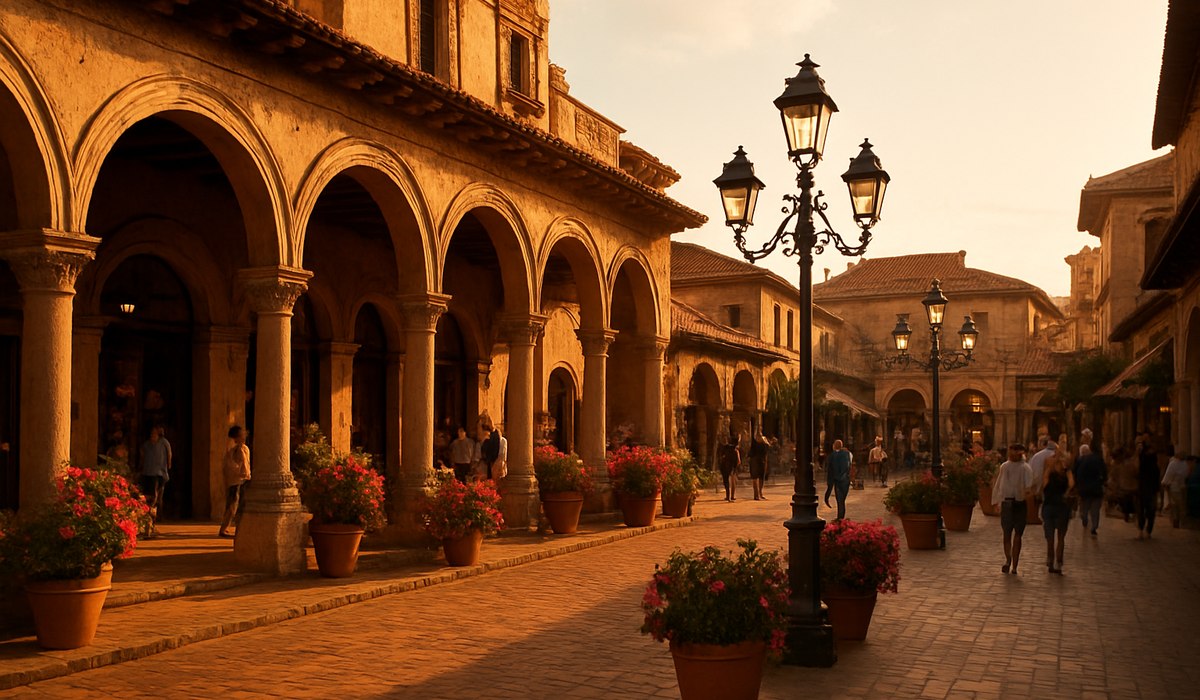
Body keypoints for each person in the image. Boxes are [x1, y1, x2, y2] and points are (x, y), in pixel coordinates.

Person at [991, 443, 1032, 574]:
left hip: (1014, 503)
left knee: (1014, 535)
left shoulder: (1023, 467)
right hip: (1012, 503)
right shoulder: (1008, 467)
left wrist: (997, 501)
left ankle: (1012, 563)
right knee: (1010, 534)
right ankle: (1010, 561)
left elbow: (1000, 485)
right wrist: (997, 501)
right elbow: (1000, 485)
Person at [1040, 449, 1075, 574]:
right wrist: (1067, 468)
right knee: (1061, 537)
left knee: (1050, 538)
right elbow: (1072, 484)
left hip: (1049, 508)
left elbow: (1045, 478)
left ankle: (1050, 559)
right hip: (1062, 508)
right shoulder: (1066, 477)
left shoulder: (1049, 477)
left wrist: (1052, 464)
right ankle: (1059, 562)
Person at [140, 426, 172, 538]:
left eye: (154, 434)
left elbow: (169, 454)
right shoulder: (147, 444)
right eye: (151, 434)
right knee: (151, 498)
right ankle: (149, 524)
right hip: (148, 473)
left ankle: (152, 523)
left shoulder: (163, 442)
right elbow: (142, 455)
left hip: (159, 473)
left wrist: (168, 465)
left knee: (156, 498)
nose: (152, 436)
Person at [218, 425, 250, 539]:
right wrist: (239, 472)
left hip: (243, 480)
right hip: (234, 481)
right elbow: (229, 466)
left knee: (241, 505)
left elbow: (246, 464)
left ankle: (239, 528)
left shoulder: (244, 448)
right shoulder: (232, 450)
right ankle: (224, 528)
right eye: (241, 435)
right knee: (232, 505)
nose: (243, 436)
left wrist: (246, 474)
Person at [1074, 443, 1107, 536]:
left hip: (1084, 488)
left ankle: (1084, 518)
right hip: (1096, 487)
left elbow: (1075, 473)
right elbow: (1104, 472)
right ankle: (1094, 526)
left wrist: (1077, 485)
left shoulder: (1080, 460)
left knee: (1085, 506)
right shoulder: (1098, 459)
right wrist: (1103, 481)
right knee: (1095, 508)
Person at [1026, 437, 1055, 525]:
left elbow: (1031, 468)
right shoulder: (1055, 455)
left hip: (1038, 480)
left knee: (1038, 500)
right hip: (1053, 482)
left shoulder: (1037, 456)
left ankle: (1036, 515)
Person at [1136, 435, 1160, 539]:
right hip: (1151, 489)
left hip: (1142, 488)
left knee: (1141, 510)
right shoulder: (1155, 467)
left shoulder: (1141, 462)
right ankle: (1148, 531)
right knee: (1150, 511)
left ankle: (1141, 530)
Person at [823, 439, 852, 520]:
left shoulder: (832, 456)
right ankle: (841, 517)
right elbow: (848, 466)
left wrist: (830, 484)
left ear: (834, 446)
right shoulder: (847, 454)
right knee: (842, 500)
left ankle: (840, 518)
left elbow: (830, 470)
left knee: (840, 500)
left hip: (837, 480)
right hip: (846, 480)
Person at [1162, 450, 1191, 528]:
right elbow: (1187, 474)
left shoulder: (1173, 464)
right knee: (1182, 506)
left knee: (1175, 506)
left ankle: (1176, 523)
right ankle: (1183, 523)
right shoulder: (1185, 464)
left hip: (1174, 487)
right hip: (1183, 487)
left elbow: (1168, 475)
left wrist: (1165, 483)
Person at [478, 413, 502, 481]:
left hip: (493, 461)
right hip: (489, 461)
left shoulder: (493, 435)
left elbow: (495, 449)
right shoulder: (489, 436)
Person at [719, 435, 740, 501]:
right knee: (732, 481)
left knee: (726, 481)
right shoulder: (735, 450)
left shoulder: (724, 449)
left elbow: (721, 457)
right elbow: (738, 461)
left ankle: (728, 496)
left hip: (725, 467)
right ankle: (732, 496)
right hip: (732, 467)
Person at [748, 432, 768, 500]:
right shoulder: (754, 444)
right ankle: (756, 495)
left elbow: (766, 453)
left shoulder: (764, 444)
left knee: (761, 479)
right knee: (755, 479)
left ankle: (760, 493)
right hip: (755, 463)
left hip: (761, 462)